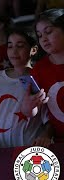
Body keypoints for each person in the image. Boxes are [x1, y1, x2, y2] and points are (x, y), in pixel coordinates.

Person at [0, 28, 48, 161]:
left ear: (33, 50)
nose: (14, 51)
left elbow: (48, 119)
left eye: (20, 46)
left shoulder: (40, 78)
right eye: (10, 46)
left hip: (28, 153)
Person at [23, 8, 64, 143]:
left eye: (48, 32)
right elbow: (31, 112)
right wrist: (29, 107)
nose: (44, 39)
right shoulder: (39, 70)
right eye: (40, 35)